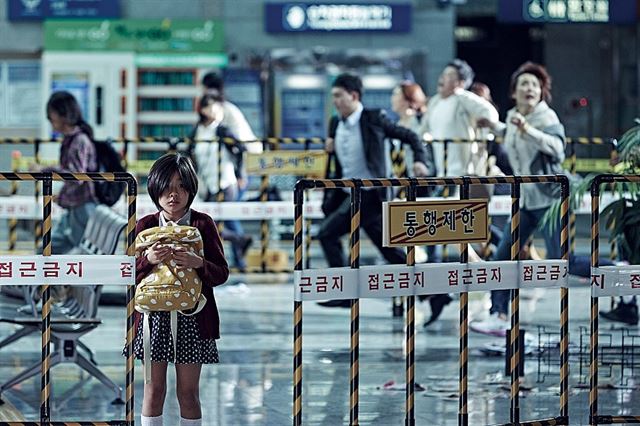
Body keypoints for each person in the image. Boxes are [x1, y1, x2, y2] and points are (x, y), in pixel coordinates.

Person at [127, 153, 229, 426]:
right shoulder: (145, 225)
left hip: (193, 317)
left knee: (188, 393)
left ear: (192, 189)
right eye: (167, 187)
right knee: (153, 390)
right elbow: (126, 274)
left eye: (182, 186)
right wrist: (147, 260)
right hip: (153, 320)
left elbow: (221, 273)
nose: (174, 194)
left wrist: (198, 263)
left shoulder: (203, 223)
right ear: (155, 189)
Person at [317, 73, 432, 308]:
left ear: (354, 96)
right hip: (349, 193)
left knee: (326, 234)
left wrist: (421, 161)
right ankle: (433, 292)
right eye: (333, 97)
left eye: (339, 96)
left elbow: (410, 136)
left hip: (371, 193)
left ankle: (346, 292)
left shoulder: (373, 118)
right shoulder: (335, 123)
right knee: (389, 250)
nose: (335, 101)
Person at [470, 62, 567, 336]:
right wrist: (494, 126)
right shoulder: (514, 116)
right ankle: (499, 315)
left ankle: (617, 270)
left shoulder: (547, 119)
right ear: (514, 92)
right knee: (502, 258)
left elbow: (558, 149)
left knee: (562, 260)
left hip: (550, 202)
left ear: (541, 92)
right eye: (524, 84)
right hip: (527, 203)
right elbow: (510, 135)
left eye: (535, 85)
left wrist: (529, 131)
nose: (529, 88)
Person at [389, 81, 450, 323]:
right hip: (402, 190)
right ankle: (432, 294)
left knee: (429, 242)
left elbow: (426, 157)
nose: (392, 98)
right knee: (408, 244)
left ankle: (434, 293)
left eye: (396, 94)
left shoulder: (420, 123)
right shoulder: (395, 126)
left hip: (421, 188)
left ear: (406, 98)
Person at [190, 93, 252, 271]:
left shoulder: (222, 130)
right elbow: (189, 152)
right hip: (208, 183)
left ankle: (232, 259)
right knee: (211, 225)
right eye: (211, 107)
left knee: (217, 223)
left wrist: (240, 174)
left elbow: (241, 150)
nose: (215, 111)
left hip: (226, 181)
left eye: (217, 107)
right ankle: (240, 241)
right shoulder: (197, 131)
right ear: (202, 110)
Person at [421, 59, 499, 180]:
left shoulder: (463, 98)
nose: (443, 78)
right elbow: (422, 129)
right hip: (441, 170)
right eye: (444, 74)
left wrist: (483, 129)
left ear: (460, 82)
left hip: (463, 171)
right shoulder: (434, 102)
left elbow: (490, 113)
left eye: (450, 75)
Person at [42, 91, 98, 253]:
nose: (50, 119)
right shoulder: (72, 139)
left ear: (63, 115)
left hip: (83, 207)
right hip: (76, 206)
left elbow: (76, 176)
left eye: (51, 114)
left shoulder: (78, 140)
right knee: (49, 249)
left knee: (84, 255)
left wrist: (44, 170)